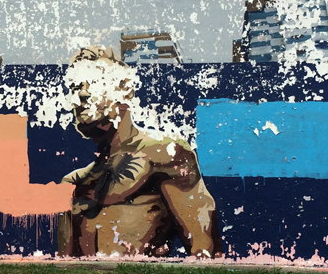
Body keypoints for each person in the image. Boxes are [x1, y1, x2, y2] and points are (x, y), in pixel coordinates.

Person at [58, 46, 220, 258]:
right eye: (75, 86)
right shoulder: (74, 183)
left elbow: (205, 253)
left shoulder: (165, 155)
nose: (82, 94)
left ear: (126, 90)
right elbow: (65, 268)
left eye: (95, 82)